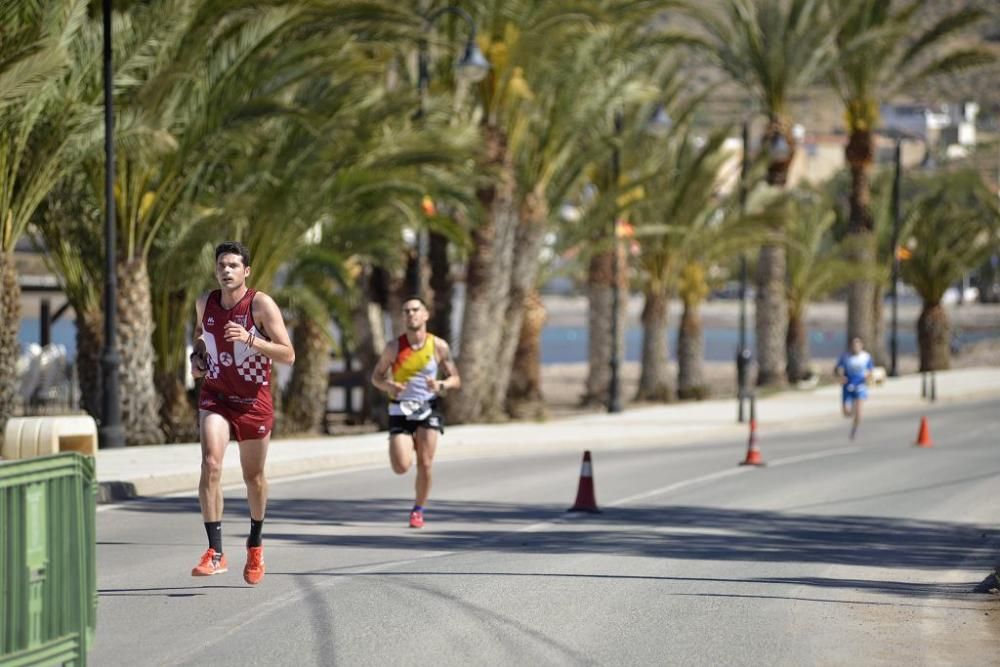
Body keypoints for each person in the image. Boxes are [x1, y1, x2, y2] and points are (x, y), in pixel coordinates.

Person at [189, 241, 294, 584]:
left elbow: (288, 354)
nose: (226, 270)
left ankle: (255, 544)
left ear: (246, 271)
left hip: (253, 403)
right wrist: (197, 358)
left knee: (254, 479)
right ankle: (215, 551)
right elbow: (201, 338)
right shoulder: (205, 302)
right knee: (211, 463)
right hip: (217, 396)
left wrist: (251, 340)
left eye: (234, 265)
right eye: (222, 265)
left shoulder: (260, 304)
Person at [371, 297, 460, 528]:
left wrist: (441, 385)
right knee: (401, 466)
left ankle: (418, 510)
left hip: (427, 408)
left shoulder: (438, 346)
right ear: (403, 317)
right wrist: (389, 386)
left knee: (426, 463)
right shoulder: (394, 347)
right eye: (406, 311)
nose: (411, 314)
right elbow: (376, 377)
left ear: (425, 315)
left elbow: (455, 379)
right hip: (400, 409)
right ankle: (405, 441)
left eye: (415, 310)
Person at [835, 336, 874, 440]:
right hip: (847, 386)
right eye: (853, 344)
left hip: (860, 386)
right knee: (846, 412)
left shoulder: (866, 357)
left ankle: (854, 430)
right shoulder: (846, 357)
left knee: (859, 412)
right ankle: (852, 410)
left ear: (861, 345)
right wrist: (841, 376)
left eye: (857, 344)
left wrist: (868, 378)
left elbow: (870, 370)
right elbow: (839, 368)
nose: (855, 346)